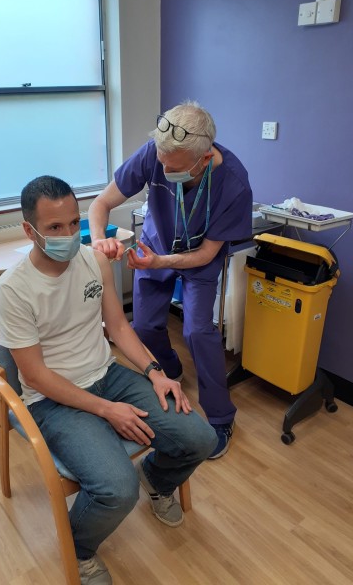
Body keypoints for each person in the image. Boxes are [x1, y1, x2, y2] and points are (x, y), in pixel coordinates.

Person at [0, 175, 217, 585]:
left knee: (200, 438)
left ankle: (158, 478)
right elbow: (36, 376)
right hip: (52, 401)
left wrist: (156, 373)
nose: (67, 235)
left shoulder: (92, 259)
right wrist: (105, 409)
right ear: (29, 230)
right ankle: (79, 549)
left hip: (107, 375)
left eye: (72, 223)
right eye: (53, 228)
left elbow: (117, 326)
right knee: (116, 488)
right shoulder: (13, 290)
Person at [88, 101, 253, 460]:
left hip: (197, 260)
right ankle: (171, 369)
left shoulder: (234, 186)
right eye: (161, 162)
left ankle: (222, 417)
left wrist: (161, 261)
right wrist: (101, 239)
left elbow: (207, 255)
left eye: (173, 167)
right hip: (155, 247)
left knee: (197, 331)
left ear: (205, 158)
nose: (162, 170)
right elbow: (99, 205)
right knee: (144, 327)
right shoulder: (155, 154)